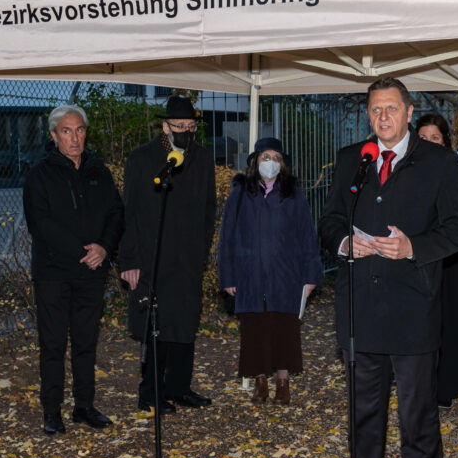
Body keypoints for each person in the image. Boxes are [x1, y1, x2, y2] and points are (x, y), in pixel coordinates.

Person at [318, 77, 458, 458]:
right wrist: (345, 242)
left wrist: (412, 247)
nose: (381, 117)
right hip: (360, 309)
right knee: (363, 415)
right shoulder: (353, 160)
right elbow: (328, 222)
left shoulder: (439, 163)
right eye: (374, 110)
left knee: (417, 416)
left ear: (408, 112)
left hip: (412, 311)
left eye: (390, 109)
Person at [23, 105, 124, 435]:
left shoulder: (99, 171)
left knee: (86, 343)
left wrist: (104, 247)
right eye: (66, 131)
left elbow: (115, 214)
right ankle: (52, 411)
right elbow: (41, 223)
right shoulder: (40, 174)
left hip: (92, 273)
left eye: (79, 130)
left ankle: (84, 406)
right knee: (53, 345)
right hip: (53, 273)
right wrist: (84, 251)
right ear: (54, 136)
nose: (74, 137)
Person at [119, 96, 217, 414]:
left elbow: (208, 210)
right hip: (152, 255)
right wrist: (130, 260)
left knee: (185, 323)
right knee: (157, 324)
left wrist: (201, 251)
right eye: (179, 127)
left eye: (190, 127)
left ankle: (179, 387)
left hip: (187, 257)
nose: (186, 132)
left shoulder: (202, 158)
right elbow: (129, 212)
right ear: (165, 126)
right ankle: (151, 392)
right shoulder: (142, 159)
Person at [217, 137, 322, 405]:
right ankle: (261, 381)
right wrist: (227, 276)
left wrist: (311, 276)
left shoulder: (294, 195)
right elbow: (227, 237)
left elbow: (307, 236)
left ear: (283, 165)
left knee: (284, 328)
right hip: (249, 274)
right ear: (255, 161)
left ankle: (283, 383)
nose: (271, 163)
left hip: (286, 274)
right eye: (266, 157)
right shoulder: (239, 195)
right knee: (255, 330)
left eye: (276, 158)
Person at [415, 113, 458, 411]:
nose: (429, 143)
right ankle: (419, 388)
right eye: (423, 138)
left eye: (435, 138)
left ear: (445, 142)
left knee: (451, 327)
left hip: (453, 262)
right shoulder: (405, 173)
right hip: (416, 261)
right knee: (418, 327)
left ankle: (446, 390)